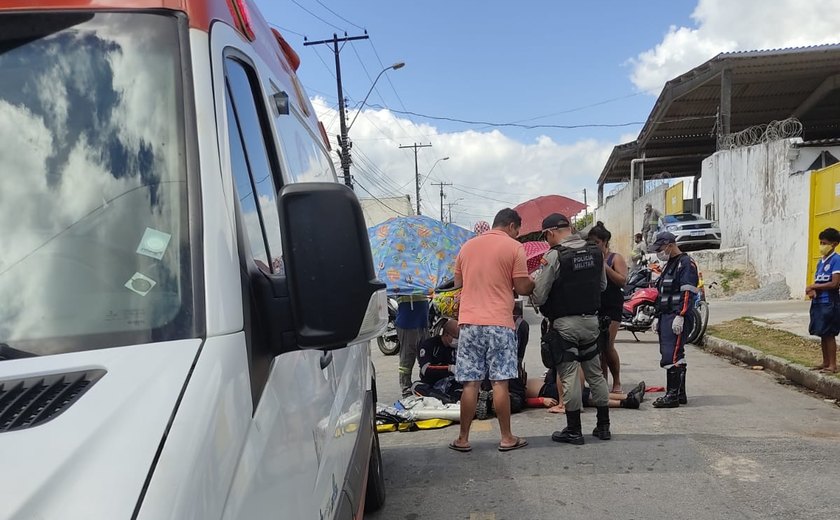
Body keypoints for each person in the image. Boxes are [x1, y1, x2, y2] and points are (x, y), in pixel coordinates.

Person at [449, 208, 534, 453]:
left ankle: (463, 438)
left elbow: (458, 285)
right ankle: (507, 437)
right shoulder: (513, 247)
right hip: (499, 323)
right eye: (517, 231)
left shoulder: (467, 247)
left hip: (470, 324)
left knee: (470, 385)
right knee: (500, 384)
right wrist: (531, 283)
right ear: (510, 226)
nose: (517, 236)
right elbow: (522, 285)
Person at [531, 213, 611, 445]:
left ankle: (574, 430)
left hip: (565, 323)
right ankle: (603, 426)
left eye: (546, 236)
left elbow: (539, 295)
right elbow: (603, 286)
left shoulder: (555, 256)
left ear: (551, 232)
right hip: (592, 322)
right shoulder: (596, 252)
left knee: (569, 376)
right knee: (595, 374)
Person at [650, 232, 699, 408]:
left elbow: (688, 292)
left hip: (677, 315)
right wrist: (657, 315)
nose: (659, 252)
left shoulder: (686, 264)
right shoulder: (669, 264)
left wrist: (681, 315)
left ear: (670, 245)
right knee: (674, 353)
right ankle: (679, 394)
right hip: (666, 314)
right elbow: (662, 293)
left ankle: (672, 396)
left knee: (672, 354)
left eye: (661, 248)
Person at [588, 222, 628, 393]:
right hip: (596, 304)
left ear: (604, 242)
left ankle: (617, 381)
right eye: (591, 243)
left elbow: (622, 280)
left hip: (612, 304)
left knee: (607, 345)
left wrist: (605, 267)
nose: (594, 246)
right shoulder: (589, 257)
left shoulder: (615, 258)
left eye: (596, 243)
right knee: (597, 347)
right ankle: (602, 382)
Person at [526, 368, 645, 410]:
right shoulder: (510, 390)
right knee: (587, 397)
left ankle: (628, 396)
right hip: (545, 392)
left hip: (547, 387)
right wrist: (541, 400)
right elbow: (519, 401)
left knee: (587, 393)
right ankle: (625, 402)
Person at [806, 227, 840, 373]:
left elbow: (834, 283)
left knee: (829, 333)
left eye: (824, 243)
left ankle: (833, 365)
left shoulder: (836, 260)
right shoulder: (821, 262)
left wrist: (814, 286)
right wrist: (812, 290)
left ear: (834, 244)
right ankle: (825, 362)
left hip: (829, 302)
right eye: (820, 242)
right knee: (822, 332)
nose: (822, 246)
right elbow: (818, 281)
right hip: (818, 302)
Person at [413, 319, 462, 403]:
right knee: (416, 387)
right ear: (446, 334)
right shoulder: (429, 345)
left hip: (451, 383)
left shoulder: (458, 348)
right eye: (456, 337)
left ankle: (452, 400)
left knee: (467, 388)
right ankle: (444, 399)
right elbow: (425, 369)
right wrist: (449, 368)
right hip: (432, 383)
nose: (458, 340)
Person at [395, 294, 430, 397]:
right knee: (407, 357)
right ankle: (406, 388)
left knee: (425, 356)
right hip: (407, 322)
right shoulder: (401, 281)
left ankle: (425, 383)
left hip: (423, 320)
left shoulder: (422, 279)